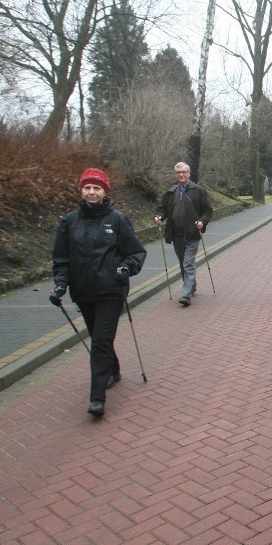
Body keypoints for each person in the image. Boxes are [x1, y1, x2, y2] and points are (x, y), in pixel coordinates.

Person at [49, 168, 147, 417]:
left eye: (97, 188)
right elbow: (61, 259)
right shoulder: (69, 222)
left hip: (111, 290)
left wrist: (126, 268)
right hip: (82, 291)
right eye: (87, 188)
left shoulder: (117, 219)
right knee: (98, 337)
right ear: (81, 190)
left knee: (101, 340)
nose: (92, 192)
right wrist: (60, 285)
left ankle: (97, 397)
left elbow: (136, 252)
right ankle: (113, 369)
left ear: (105, 191)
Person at [153, 162, 213, 307]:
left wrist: (202, 222)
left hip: (192, 233)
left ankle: (185, 294)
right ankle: (191, 286)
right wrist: (159, 217)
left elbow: (208, 211)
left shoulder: (198, 190)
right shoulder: (170, 192)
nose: (181, 174)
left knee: (188, 262)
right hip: (176, 234)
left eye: (184, 172)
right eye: (178, 172)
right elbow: (163, 209)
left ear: (189, 173)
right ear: (175, 174)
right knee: (183, 263)